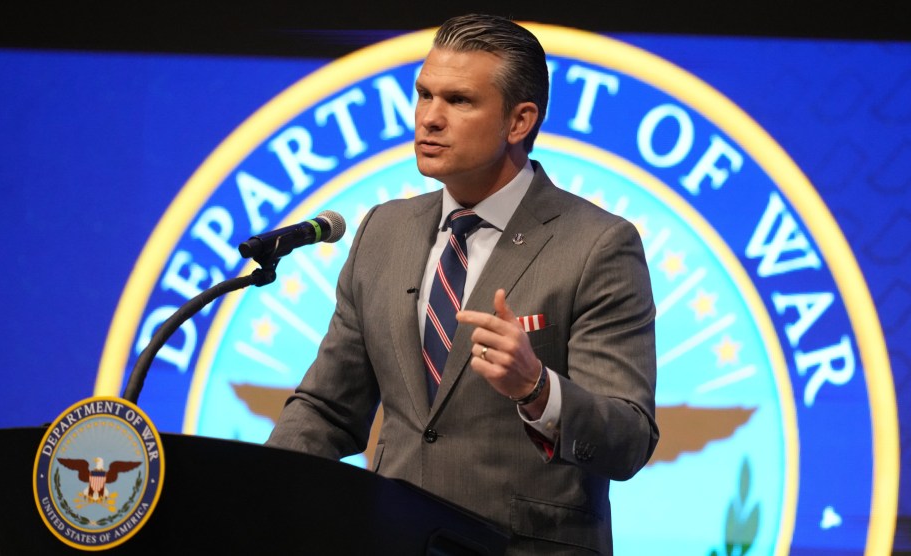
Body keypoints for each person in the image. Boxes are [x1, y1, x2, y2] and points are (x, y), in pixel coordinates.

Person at [267, 13, 658, 555]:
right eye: (424, 95)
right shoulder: (384, 230)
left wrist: (537, 388)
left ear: (519, 122)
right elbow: (327, 408)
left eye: (458, 101)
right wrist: (258, 491)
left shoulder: (597, 245)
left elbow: (630, 439)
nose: (429, 118)